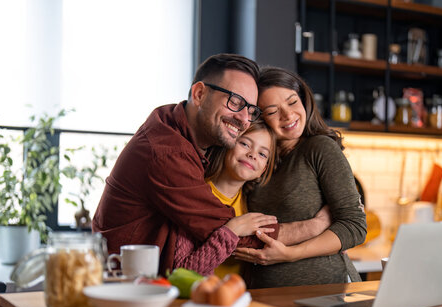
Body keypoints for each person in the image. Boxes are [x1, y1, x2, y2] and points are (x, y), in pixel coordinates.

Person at [92, 54, 328, 276]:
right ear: (199, 94)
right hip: (127, 288)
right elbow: (230, 232)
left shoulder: (176, 126)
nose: (244, 119)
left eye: (251, 110)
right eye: (235, 102)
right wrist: (319, 225)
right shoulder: (167, 153)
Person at [234, 66, 367, 288]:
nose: (288, 115)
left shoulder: (319, 148)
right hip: (264, 296)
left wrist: (290, 254)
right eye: (273, 111)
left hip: (325, 292)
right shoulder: (256, 160)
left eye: (292, 102)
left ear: (304, 100)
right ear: (260, 117)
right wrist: (316, 225)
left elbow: (355, 226)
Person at [174, 121, 277, 276]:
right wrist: (231, 230)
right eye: (245, 144)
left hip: (239, 297)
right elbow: (182, 273)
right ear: (228, 144)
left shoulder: (251, 203)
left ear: (264, 169)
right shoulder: (194, 196)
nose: (252, 155)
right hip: (201, 296)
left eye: (262, 154)